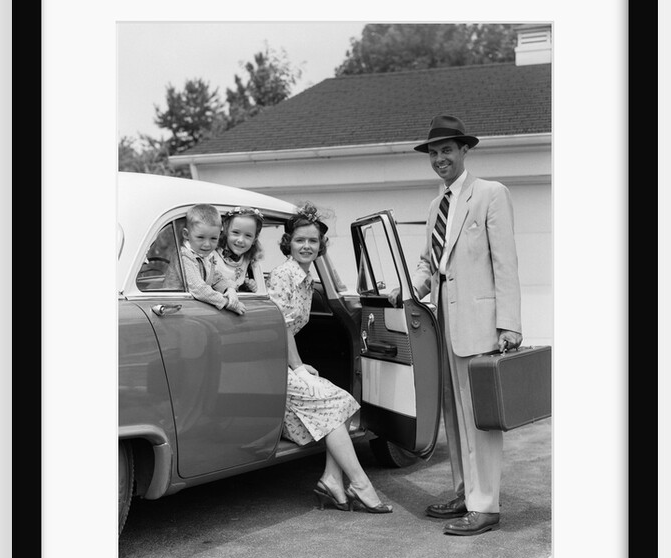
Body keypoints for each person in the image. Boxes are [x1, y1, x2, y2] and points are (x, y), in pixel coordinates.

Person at [390, 115, 522, 536]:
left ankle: (486, 506)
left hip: (481, 323)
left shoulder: (490, 194)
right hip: (443, 323)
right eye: (433, 153)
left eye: (447, 150)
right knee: (454, 413)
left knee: (479, 418)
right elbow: (429, 264)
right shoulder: (436, 205)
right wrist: (405, 290)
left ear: (465, 150)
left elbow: (505, 262)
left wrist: (509, 324)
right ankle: (465, 493)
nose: (439, 158)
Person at [267, 202, 392, 514]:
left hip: (284, 360)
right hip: (270, 364)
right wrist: (297, 366)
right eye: (300, 240)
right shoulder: (284, 274)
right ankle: (360, 484)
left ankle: (332, 480)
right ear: (288, 243)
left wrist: (297, 364)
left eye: (313, 241)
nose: (306, 246)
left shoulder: (306, 276)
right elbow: (280, 325)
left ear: (321, 245)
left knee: (345, 402)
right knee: (338, 404)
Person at [179, 204, 245, 315]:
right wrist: (226, 302)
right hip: (179, 307)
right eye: (200, 237)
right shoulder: (186, 256)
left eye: (213, 238)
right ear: (186, 234)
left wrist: (230, 289)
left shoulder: (207, 256)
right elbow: (199, 289)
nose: (207, 244)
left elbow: (216, 279)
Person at [209, 206, 264, 293]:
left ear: (255, 239)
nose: (241, 240)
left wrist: (245, 287)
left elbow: (236, 288)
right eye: (236, 232)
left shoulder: (248, 260)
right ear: (226, 231)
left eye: (248, 235)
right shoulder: (211, 254)